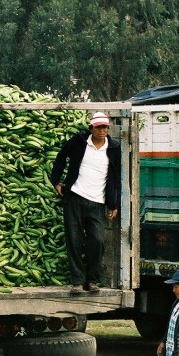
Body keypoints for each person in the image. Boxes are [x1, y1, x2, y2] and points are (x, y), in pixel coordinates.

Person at [50, 111, 121, 294]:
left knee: (97, 241)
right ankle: (77, 281)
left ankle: (91, 279)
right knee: (74, 239)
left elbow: (116, 177)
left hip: (98, 201)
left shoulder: (113, 148)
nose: (102, 130)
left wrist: (113, 204)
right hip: (75, 197)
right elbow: (61, 157)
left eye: (105, 127)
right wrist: (56, 180)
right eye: (98, 127)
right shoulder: (80, 142)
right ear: (91, 128)